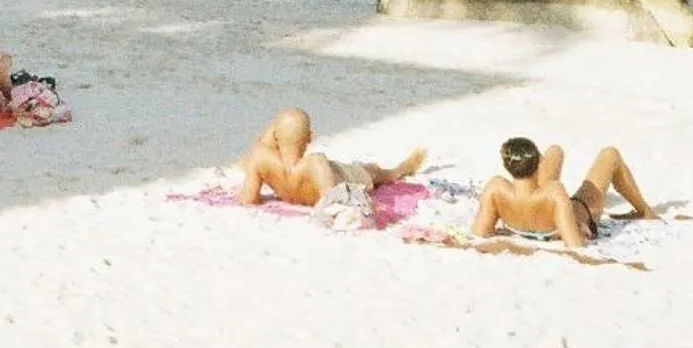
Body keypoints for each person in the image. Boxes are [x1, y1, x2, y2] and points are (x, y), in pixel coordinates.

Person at [472, 137, 657, 248]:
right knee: (610, 154)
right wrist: (576, 224)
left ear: (507, 165)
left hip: (522, 212)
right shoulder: (554, 191)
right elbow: (574, 244)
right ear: (538, 164)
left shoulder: (495, 188)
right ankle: (645, 211)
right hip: (562, 218)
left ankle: (541, 167)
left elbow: (480, 232)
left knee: (555, 151)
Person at [235, 108, 425, 208]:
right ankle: (395, 172)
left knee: (371, 171)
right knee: (371, 172)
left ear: (275, 136)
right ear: (311, 137)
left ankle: (398, 171)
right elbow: (333, 201)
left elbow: (247, 199)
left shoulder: (260, 158)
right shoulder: (315, 162)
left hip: (318, 174)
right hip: (335, 175)